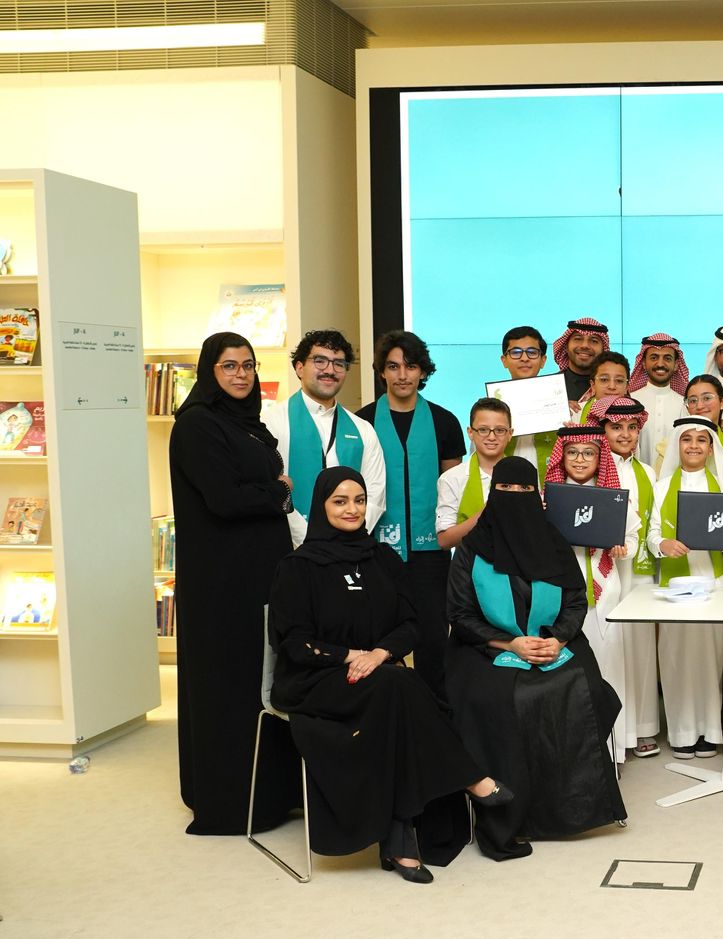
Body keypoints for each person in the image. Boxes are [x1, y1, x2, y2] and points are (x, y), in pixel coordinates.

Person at [268, 467, 512, 883]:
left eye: (359, 500)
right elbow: (293, 642)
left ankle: (400, 843)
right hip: (315, 681)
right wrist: (352, 656)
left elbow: (411, 623)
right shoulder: (298, 566)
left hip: (378, 677)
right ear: (321, 506)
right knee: (401, 686)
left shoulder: (382, 558)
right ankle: (472, 779)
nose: (352, 509)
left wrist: (380, 654)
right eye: (340, 501)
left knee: (393, 701)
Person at [445, 456, 627, 857]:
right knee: (498, 700)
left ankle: (573, 807)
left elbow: (575, 601)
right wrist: (508, 644)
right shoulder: (472, 548)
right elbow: (459, 614)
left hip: (551, 640)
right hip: (485, 648)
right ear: (493, 493)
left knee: (582, 687)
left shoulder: (553, 542)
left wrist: (558, 639)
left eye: (524, 489)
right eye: (505, 489)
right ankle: (509, 808)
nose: (514, 496)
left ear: (536, 495)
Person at [169, 332, 297, 835]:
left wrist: (271, 491)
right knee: (229, 685)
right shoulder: (197, 425)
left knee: (261, 681)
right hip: (222, 583)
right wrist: (278, 493)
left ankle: (273, 793)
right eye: (229, 366)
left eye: (248, 365)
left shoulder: (247, 423)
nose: (241, 375)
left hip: (258, 573)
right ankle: (230, 802)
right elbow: (224, 498)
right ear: (210, 371)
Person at [355, 329, 466, 701]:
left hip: (431, 551)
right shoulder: (362, 422)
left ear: (423, 371)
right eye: (393, 366)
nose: (402, 375)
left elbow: (453, 488)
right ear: (381, 372)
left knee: (433, 637)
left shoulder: (444, 422)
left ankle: (435, 712)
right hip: (376, 551)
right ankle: (386, 712)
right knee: (379, 637)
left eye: (411, 366)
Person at [544, 425, 639, 764]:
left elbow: (633, 537)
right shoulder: (548, 499)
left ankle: (611, 753)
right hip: (560, 597)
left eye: (588, 453)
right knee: (567, 675)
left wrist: (623, 549)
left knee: (608, 668)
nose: (580, 459)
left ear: (601, 458)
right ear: (562, 457)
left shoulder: (612, 497)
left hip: (605, 589)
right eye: (572, 452)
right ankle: (575, 757)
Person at [650, 417, 723, 758]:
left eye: (702, 440)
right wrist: (663, 544)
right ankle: (682, 732)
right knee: (676, 656)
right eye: (687, 439)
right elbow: (652, 533)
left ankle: (711, 731)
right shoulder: (660, 487)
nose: (694, 445)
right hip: (675, 583)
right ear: (677, 445)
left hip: (713, 582)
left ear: (711, 448)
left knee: (712, 657)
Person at [262, 329, 386, 547]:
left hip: (349, 549)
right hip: (289, 548)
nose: (330, 370)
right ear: (299, 367)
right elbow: (270, 489)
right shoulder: (270, 422)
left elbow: (375, 494)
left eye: (339, 364)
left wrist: (348, 538)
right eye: (320, 361)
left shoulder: (362, 429)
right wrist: (308, 540)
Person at [590, 395, 663, 758]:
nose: (625, 434)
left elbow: (652, 525)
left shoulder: (647, 472)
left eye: (632, 427)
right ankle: (613, 733)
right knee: (609, 649)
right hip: (601, 573)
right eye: (616, 427)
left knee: (640, 648)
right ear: (602, 430)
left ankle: (643, 727)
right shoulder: (591, 470)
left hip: (640, 573)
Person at [435, 397, 513, 551]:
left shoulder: (522, 475)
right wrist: (488, 511)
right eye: (483, 429)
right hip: (471, 562)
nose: (492, 437)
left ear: (510, 434)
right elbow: (444, 540)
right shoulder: (451, 478)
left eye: (500, 430)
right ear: (470, 432)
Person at [656, 374, 723, 490]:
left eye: (707, 398)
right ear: (687, 407)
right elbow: (657, 490)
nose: (699, 406)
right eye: (693, 400)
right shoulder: (669, 446)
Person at [495, 325, 558, 484]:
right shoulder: (491, 407)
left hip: (548, 487)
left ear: (543, 360)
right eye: (516, 352)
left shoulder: (560, 404)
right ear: (504, 360)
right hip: (503, 486)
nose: (524, 358)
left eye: (532, 352)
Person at [628, 332, 688, 462]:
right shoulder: (630, 401)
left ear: (676, 365)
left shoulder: (685, 404)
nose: (660, 364)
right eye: (654, 357)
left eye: (667, 358)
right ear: (644, 363)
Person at [551, 317, 610, 402]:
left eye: (594, 341)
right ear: (566, 346)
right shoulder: (548, 385)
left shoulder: (613, 387)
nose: (585, 346)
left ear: (603, 349)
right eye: (578, 339)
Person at [575, 350, 632, 422]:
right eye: (604, 380)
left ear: (626, 387)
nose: (612, 387)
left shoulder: (637, 414)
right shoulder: (575, 413)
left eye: (619, 380)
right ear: (593, 385)